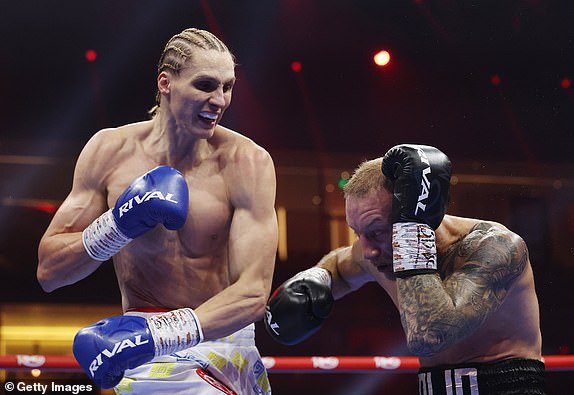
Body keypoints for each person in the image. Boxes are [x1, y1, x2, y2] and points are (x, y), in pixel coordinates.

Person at [37, 27, 278, 395]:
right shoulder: (109, 151)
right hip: (148, 352)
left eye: (227, 87)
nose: (219, 100)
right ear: (166, 83)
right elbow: (49, 272)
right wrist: (116, 227)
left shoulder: (248, 163)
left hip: (223, 339)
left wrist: (157, 336)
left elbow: (252, 294)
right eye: (205, 85)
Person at [265, 144, 546, 394]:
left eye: (376, 232)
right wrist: (317, 279)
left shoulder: (496, 248)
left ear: (419, 218)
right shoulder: (372, 250)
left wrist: (411, 232)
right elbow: (340, 264)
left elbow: (429, 335)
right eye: (357, 233)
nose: (369, 250)